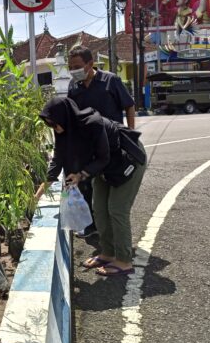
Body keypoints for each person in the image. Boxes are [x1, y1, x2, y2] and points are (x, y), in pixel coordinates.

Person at [35, 97, 146, 277]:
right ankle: (108, 253)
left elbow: (103, 157)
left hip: (127, 161)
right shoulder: (64, 130)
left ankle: (124, 261)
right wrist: (37, 196)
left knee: (117, 210)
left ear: (65, 117)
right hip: (103, 168)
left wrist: (81, 175)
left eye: (55, 124)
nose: (56, 129)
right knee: (99, 209)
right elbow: (57, 161)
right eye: (51, 126)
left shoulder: (92, 123)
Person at [67, 45, 135, 239]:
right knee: (86, 185)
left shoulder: (110, 80)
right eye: (71, 66)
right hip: (89, 146)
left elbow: (129, 106)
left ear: (90, 64)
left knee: (113, 185)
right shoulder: (74, 86)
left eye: (77, 66)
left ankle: (115, 231)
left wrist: (130, 134)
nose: (74, 70)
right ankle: (92, 226)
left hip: (114, 144)